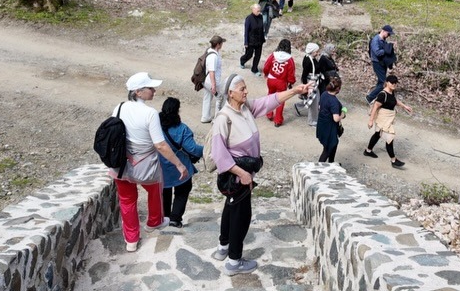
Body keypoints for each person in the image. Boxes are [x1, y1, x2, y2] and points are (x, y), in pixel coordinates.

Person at [209, 73, 313, 275]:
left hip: (243, 174)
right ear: (230, 93)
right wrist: (242, 174)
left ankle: (223, 247)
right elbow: (219, 155)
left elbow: (269, 102)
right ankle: (234, 262)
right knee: (241, 216)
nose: (246, 91)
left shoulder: (245, 108)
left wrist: (294, 91)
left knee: (231, 208)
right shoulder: (223, 119)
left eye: (245, 88)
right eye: (242, 89)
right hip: (238, 176)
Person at [111, 72, 188, 253]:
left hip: (121, 163)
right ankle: (154, 221)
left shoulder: (119, 108)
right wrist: (179, 164)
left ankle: (131, 240)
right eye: (150, 88)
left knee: (127, 201)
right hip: (145, 164)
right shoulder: (150, 113)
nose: (154, 90)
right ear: (138, 92)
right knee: (155, 189)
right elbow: (160, 145)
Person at [158, 97, 203, 228]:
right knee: (182, 192)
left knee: (164, 192)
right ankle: (175, 219)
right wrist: (207, 149)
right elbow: (192, 149)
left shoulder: (155, 127)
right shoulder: (182, 129)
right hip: (180, 167)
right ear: (177, 110)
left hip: (161, 168)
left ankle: (165, 217)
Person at [364, 75, 412, 168]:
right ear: (387, 82)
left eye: (395, 83)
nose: (394, 84)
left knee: (377, 134)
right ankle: (393, 160)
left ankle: (368, 151)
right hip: (382, 118)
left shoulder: (391, 92)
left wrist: (404, 106)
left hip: (388, 118)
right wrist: (370, 121)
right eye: (392, 82)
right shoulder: (382, 95)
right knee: (390, 137)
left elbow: (394, 100)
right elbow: (375, 107)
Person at [263, 39, 296, 127]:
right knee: (280, 100)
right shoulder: (289, 59)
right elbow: (291, 73)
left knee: (270, 96)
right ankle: (278, 120)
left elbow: (266, 66)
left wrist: (266, 73)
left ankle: (269, 114)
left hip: (271, 79)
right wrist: (291, 82)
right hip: (281, 82)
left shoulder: (273, 55)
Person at [366, 25, 397, 104]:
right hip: (377, 63)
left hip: (382, 63)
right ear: (383, 31)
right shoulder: (375, 40)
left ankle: (376, 97)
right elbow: (377, 52)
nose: (389, 35)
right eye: (388, 33)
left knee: (380, 82)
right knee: (383, 83)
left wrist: (389, 47)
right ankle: (370, 97)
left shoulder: (383, 40)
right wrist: (386, 49)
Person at [317, 76, 344, 163]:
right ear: (338, 89)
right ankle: (318, 167)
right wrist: (343, 114)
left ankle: (331, 163)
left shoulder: (324, 94)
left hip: (322, 124)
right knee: (328, 148)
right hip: (329, 127)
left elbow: (319, 107)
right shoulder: (334, 101)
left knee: (334, 144)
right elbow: (336, 119)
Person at [201, 35, 226, 124]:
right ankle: (217, 119)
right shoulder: (213, 56)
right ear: (218, 44)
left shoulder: (209, 51)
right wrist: (214, 85)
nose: (222, 44)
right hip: (210, 81)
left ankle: (205, 117)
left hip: (205, 80)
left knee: (207, 96)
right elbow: (212, 71)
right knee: (220, 97)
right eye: (221, 43)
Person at [239, 4, 265, 77]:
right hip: (251, 40)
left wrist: (263, 38)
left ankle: (254, 69)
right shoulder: (249, 18)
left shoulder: (260, 17)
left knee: (258, 55)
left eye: (259, 11)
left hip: (259, 40)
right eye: (257, 11)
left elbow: (262, 29)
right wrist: (246, 42)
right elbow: (246, 31)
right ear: (253, 10)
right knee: (249, 55)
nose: (259, 12)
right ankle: (242, 60)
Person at [301, 42, 321, 127]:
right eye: (316, 51)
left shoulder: (312, 58)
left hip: (314, 82)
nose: (318, 53)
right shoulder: (308, 61)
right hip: (311, 83)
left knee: (316, 100)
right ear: (312, 51)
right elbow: (304, 75)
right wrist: (307, 87)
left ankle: (299, 107)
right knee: (313, 103)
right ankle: (312, 121)